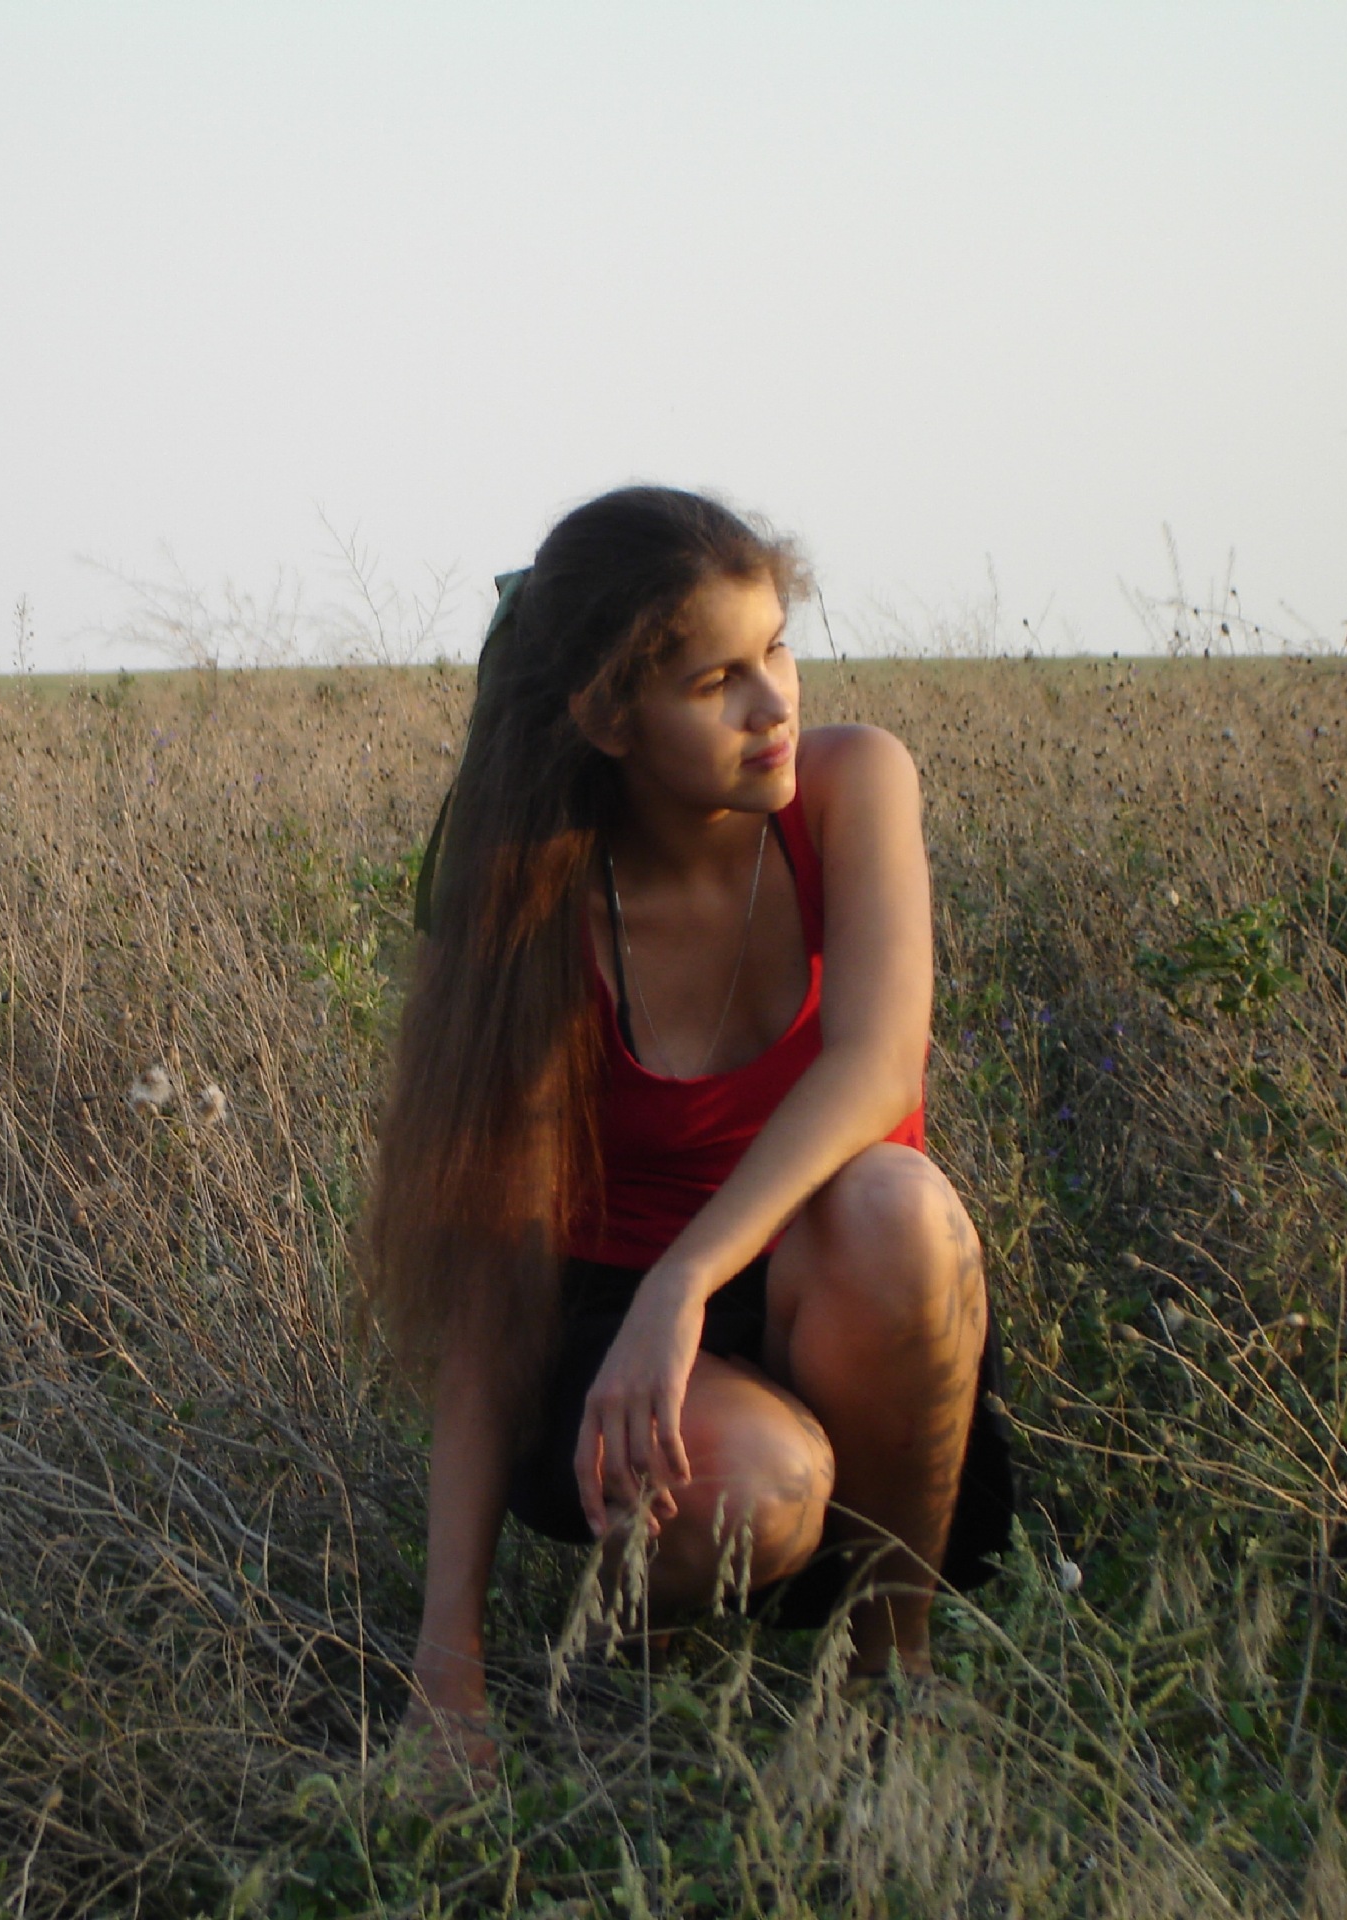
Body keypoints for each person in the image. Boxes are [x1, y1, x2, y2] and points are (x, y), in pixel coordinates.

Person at [362, 486, 1014, 1767]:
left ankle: (893, 1669)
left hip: (838, 1311)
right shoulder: (532, 907)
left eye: (777, 649)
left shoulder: (853, 784)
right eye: (717, 681)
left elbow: (880, 1066)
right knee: (756, 1488)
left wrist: (688, 1279)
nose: (775, 704)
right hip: (616, 1353)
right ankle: (640, 1640)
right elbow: (489, 1301)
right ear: (607, 718)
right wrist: (448, 1668)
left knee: (897, 1202)